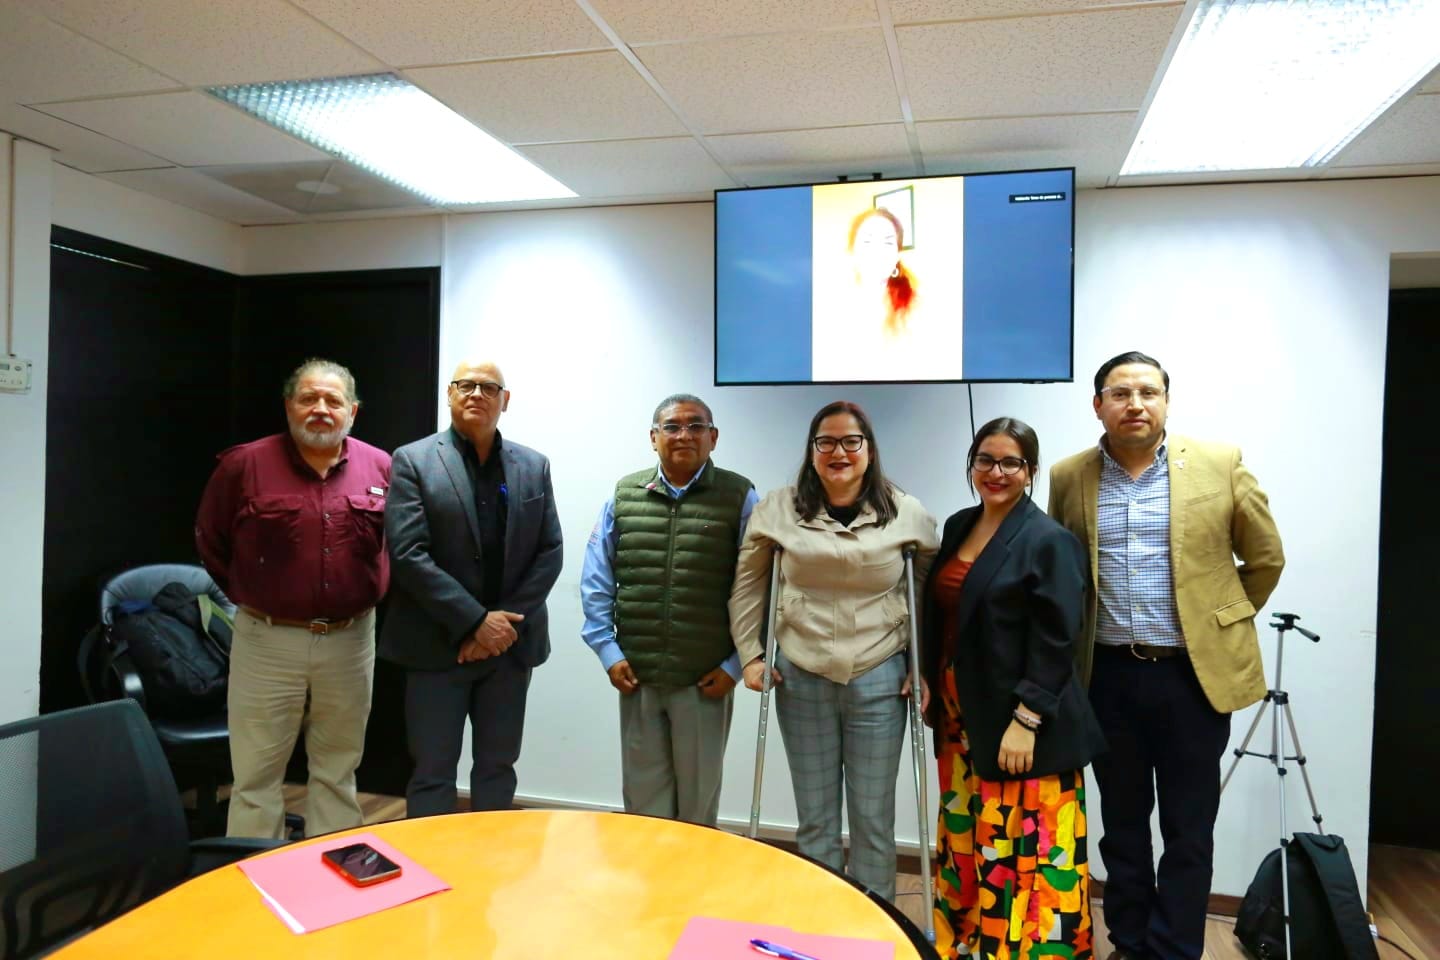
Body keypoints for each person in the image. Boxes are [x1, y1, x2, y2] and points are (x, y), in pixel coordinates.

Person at [1048, 351, 1285, 960]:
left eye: (1148, 392)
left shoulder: (1219, 463)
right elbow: (1062, 571)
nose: (1135, 404)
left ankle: (1176, 949)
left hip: (1191, 679)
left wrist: (1221, 622)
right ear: (1098, 405)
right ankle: (1130, 943)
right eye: (1120, 393)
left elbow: (1265, 558)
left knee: (1188, 827)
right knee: (1122, 825)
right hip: (1106, 677)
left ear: (1167, 402)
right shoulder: (1069, 476)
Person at [729, 400, 939, 900]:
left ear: (869, 450)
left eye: (851, 441)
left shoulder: (905, 512)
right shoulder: (778, 509)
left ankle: (876, 922)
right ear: (811, 450)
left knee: (873, 817)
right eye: (826, 441)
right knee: (816, 816)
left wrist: (922, 665)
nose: (838, 452)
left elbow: (927, 593)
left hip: (880, 673)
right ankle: (820, 917)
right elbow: (749, 586)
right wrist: (751, 656)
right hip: (801, 672)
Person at [922, 417, 1106, 959]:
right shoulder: (959, 525)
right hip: (961, 718)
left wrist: (1027, 719)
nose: (996, 472)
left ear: (1030, 470)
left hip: (1022, 723)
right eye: (985, 460)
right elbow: (946, 615)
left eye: (1011, 462)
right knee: (969, 835)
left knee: (1023, 845)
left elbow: (1058, 639)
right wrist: (927, 675)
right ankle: (969, 940)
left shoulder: (1049, 540)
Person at [195, 358, 390, 839]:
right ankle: (253, 871)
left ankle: (332, 868)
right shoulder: (244, 465)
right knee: (255, 775)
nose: (320, 408)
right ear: (288, 406)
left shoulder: (381, 466)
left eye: (333, 400)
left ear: (352, 412)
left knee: (338, 768)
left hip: (350, 640)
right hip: (267, 640)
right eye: (308, 398)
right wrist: (259, 595)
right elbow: (211, 541)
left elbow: (396, 545)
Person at [379, 360, 562, 816]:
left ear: (505, 400)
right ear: (450, 394)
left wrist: (501, 627)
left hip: (509, 649)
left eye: (488, 387)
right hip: (436, 644)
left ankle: (491, 859)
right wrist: (476, 622)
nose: (477, 394)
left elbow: (550, 550)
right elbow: (408, 553)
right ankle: (430, 859)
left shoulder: (533, 465)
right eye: (466, 385)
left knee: (498, 768)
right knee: (432, 772)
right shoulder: (413, 460)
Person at [580, 393, 759, 825]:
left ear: (713, 437)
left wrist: (737, 665)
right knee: (643, 807)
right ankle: (647, 873)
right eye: (672, 426)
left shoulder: (740, 496)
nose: (684, 435)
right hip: (637, 675)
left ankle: (694, 873)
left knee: (698, 808)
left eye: (696, 426)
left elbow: (759, 588)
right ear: (653, 437)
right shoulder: (624, 495)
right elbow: (596, 579)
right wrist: (608, 651)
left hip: (705, 678)